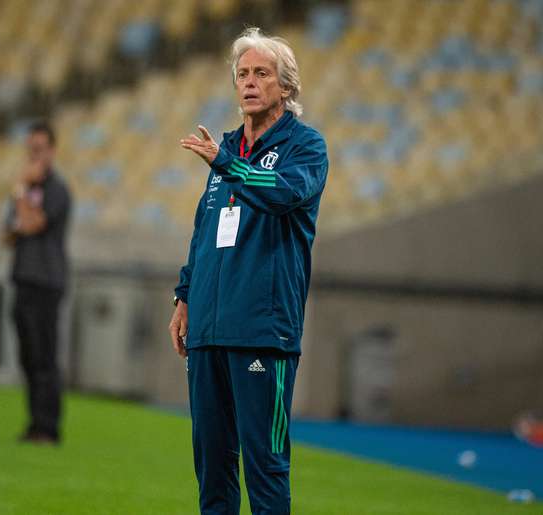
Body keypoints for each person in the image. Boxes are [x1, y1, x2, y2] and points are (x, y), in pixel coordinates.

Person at [168, 27, 328, 515]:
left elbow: (282, 194)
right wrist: (184, 296)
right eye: (242, 73)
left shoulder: (307, 147)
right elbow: (203, 232)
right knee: (212, 468)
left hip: (263, 332)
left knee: (265, 467)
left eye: (262, 73)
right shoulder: (227, 148)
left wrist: (226, 164)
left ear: (286, 87)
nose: (249, 82)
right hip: (210, 332)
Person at [2, 120, 72, 445]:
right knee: (28, 356)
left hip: (46, 281)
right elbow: (7, 235)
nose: (34, 156)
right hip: (23, 279)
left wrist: (20, 193)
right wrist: (21, 196)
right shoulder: (25, 191)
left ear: (52, 152)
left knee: (44, 356)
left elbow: (29, 225)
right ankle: (34, 423)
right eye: (30, 150)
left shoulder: (57, 190)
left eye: (40, 150)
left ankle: (49, 427)